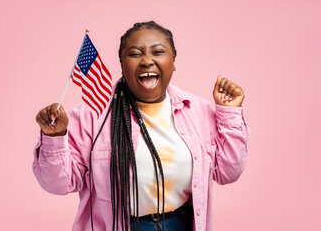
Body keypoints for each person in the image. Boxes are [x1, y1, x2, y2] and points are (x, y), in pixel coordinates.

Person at [33, 21, 250, 231]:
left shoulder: (197, 111)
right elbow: (58, 184)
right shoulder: (92, 116)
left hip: (180, 223)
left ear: (173, 62)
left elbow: (227, 172)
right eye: (135, 54)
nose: (147, 61)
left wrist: (229, 113)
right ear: (122, 64)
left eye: (157, 52)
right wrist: (54, 137)